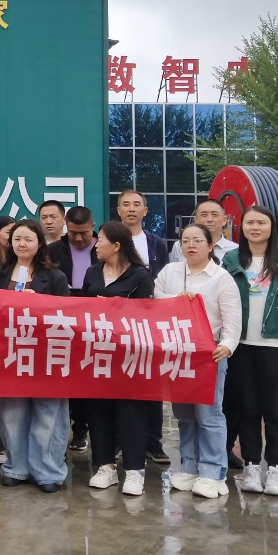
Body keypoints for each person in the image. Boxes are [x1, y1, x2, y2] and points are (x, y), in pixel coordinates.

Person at [221, 205, 278, 497]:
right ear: (242, 227)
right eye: (250, 222)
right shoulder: (231, 260)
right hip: (241, 346)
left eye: (261, 222)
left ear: (272, 228)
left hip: (277, 346)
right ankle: (251, 467)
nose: (255, 227)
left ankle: (275, 468)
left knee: (277, 411)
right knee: (247, 409)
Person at [154, 224, 241, 499]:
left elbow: (232, 317)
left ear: (210, 246)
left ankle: (214, 472)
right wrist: (176, 299)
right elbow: (154, 300)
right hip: (177, 352)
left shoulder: (221, 278)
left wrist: (227, 345)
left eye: (197, 240)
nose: (190, 245)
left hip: (208, 354)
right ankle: (189, 466)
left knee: (208, 414)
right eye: (185, 241)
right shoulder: (169, 272)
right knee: (184, 414)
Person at [0, 219, 71, 492]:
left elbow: (67, 317)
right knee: (11, 413)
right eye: (17, 239)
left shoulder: (55, 277)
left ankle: (48, 471)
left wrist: (40, 305)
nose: (22, 244)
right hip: (10, 353)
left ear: (40, 243)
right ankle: (17, 466)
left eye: (28, 239)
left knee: (48, 413)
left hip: (46, 353)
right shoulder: (0, 274)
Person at [82, 221, 155, 496]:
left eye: (100, 239)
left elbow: (147, 316)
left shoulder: (140, 276)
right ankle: (105, 466)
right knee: (98, 410)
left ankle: (135, 470)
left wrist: (113, 307)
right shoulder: (92, 272)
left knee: (130, 411)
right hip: (97, 353)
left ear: (116, 245)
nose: (96, 244)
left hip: (129, 355)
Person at [116, 189, 170, 466]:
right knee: (117, 383)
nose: (131, 208)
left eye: (136, 204)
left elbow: (163, 279)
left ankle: (153, 443)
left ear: (145, 211)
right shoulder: (109, 238)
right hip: (116, 323)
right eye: (125, 204)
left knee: (152, 383)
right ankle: (117, 442)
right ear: (118, 210)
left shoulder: (157, 243)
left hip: (149, 323)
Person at [47, 205, 97, 451]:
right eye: (73, 232)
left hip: (94, 318)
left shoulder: (103, 247)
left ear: (93, 228)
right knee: (62, 376)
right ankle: (59, 431)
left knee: (86, 378)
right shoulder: (53, 250)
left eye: (83, 233)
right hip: (61, 318)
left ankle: (81, 429)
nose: (78, 238)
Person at [168, 199, 236, 263]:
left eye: (214, 215)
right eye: (204, 215)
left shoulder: (234, 249)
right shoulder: (180, 246)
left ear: (224, 220)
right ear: (196, 220)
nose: (209, 219)